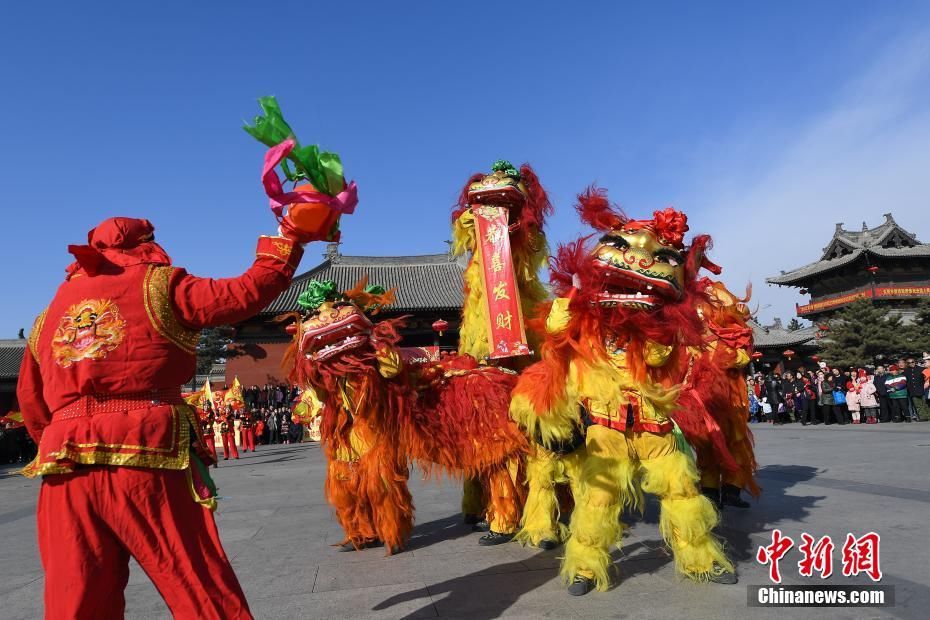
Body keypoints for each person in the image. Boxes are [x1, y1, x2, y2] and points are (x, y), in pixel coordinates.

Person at [16, 216, 305, 618]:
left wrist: (61, 435)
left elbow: (31, 401)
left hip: (64, 463)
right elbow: (243, 293)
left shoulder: (46, 319)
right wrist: (288, 239)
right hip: (147, 450)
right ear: (147, 244)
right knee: (193, 578)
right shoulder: (159, 285)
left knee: (75, 591)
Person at [903, 357, 927, 421]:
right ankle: (922, 417)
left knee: (925, 404)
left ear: (915, 362)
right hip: (912, 391)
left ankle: (928, 416)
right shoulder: (906, 371)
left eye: (912, 362)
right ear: (907, 364)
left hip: (922, 389)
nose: (911, 364)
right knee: (918, 405)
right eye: (909, 363)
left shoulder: (922, 369)